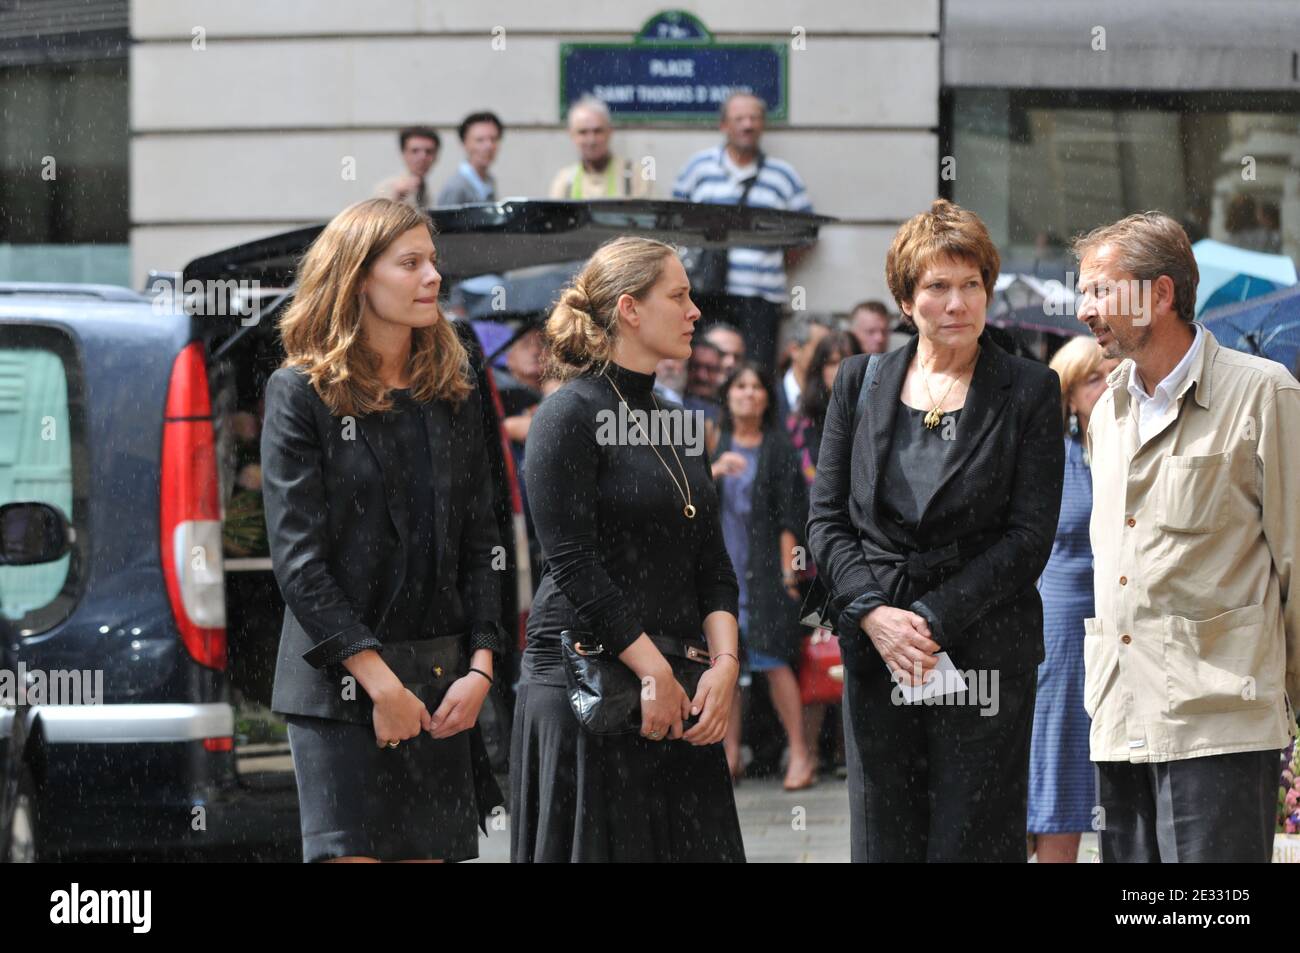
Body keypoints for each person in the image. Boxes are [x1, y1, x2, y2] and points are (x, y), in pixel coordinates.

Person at [807, 199, 1064, 862]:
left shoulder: (1030, 388)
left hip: (984, 650)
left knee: (970, 841)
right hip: (877, 652)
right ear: (904, 298)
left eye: (971, 284)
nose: (957, 302)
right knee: (885, 840)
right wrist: (874, 615)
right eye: (938, 286)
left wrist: (926, 617)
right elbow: (827, 520)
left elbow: (1029, 537)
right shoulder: (860, 383)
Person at [260, 198, 507, 863]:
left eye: (433, 262)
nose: (433, 277)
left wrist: (482, 666)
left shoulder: (454, 387)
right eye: (411, 263)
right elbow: (300, 565)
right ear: (358, 278)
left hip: (441, 685)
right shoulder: (301, 392)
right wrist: (379, 684)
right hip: (341, 690)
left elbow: (484, 541)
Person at [510, 236, 746, 862]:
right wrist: (652, 671)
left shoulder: (678, 421)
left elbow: (713, 565)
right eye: (679, 296)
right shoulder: (566, 413)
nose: (696, 311)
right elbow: (572, 564)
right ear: (630, 310)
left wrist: (724, 667)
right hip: (587, 688)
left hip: (678, 691)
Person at [1075, 211, 1299, 863]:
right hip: (1119, 721)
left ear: (1162, 293)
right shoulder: (1107, 412)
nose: (1086, 310)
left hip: (1220, 722)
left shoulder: (1264, 394)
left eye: (1100, 290)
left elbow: (1295, 564)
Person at [1027, 336, 1118, 863]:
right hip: (1063, 625)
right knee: (1062, 768)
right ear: (1068, 394)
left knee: (1115, 777)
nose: (1106, 386)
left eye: (1111, 374)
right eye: (1093, 378)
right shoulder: (1051, 454)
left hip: (1120, 619)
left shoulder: (1125, 441)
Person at [709, 362, 813, 789]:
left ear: (767, 398)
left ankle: (801, 753)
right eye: (740, 386)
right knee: (724, 667)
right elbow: (688, 499)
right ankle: (729, 754)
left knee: (773, 663)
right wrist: (712, 472)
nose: (748, 394)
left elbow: (792, 517)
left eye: (756, 386)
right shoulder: (714, 445)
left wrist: (791, 575)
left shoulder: (778, 449)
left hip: (767, 576)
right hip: (721, 573)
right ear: (728, 396)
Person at [673, 92, 814, 372]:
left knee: (755, 373)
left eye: (754, 118)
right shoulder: (698, 168)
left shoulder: (782, 175)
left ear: (762, 125)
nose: (747, 125)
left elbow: (806, 232)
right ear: (724, 125)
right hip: (705, 293)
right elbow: (674, 225)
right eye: (739, 118)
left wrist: (770, 261)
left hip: (760, 297)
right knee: (704, 373)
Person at [548, 95, 652, 200]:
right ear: (572, 135)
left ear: (609, 132)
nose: (591, 140)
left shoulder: (636, 176)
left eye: (597, 131)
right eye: (583, 132)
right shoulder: (564, 182)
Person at [777, 314, 835, 422]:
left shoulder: (834, 402)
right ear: (794, 350)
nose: (828, 357)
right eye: (821, 348)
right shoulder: (768, 398)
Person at [437, 111, 503, 206]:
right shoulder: (456, 187)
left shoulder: (489, 180)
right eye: (480, 140)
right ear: (464, 143)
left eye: (493, 139)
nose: (489, 146)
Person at [374, 126, 440, 208]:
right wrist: (397, 196)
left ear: (436, 156)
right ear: (403, 153)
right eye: (415, 151)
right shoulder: (387, 188)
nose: (423, 157)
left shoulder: (435, 190)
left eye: (429, 152)